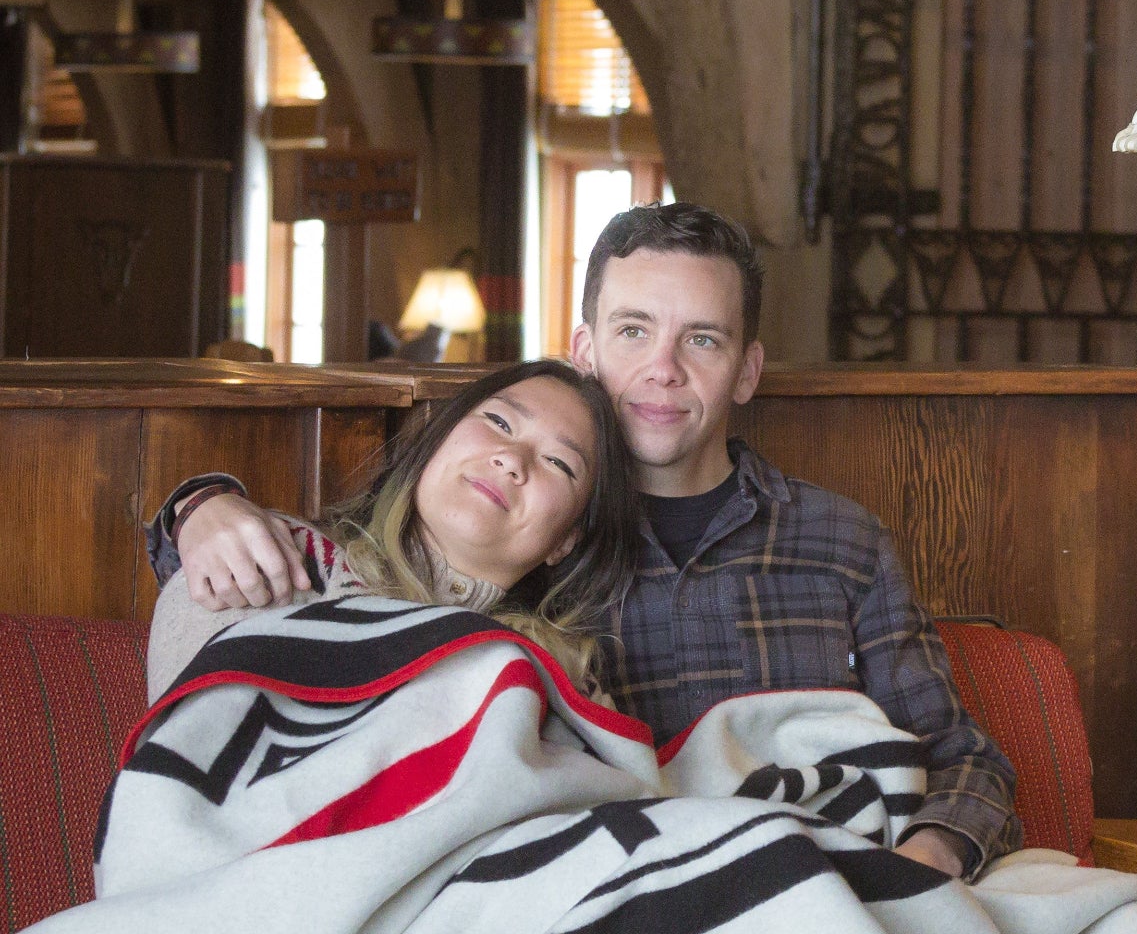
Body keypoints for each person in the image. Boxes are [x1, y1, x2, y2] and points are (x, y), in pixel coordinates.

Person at [153, 205, 1018, 880]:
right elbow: (340, 591)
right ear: (586, 349)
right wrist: (197, 508)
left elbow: (958, 754)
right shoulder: (517, 533)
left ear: (746, 370)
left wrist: (925, 869)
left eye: (703, 340)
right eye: (634, 330)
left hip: (838, 880)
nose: (663, 368)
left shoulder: (841, 540)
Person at [148, 359, 639, 701]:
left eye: (558, 462)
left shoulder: (559, 676)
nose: (512, 459)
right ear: (437, 439)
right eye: (498, 422)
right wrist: (199, 505)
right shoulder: (273, 557)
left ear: (566, 540)